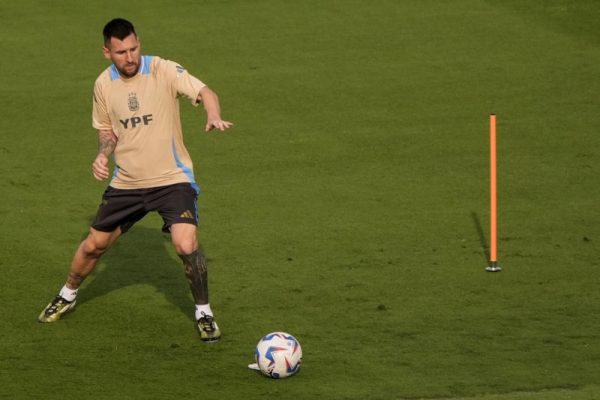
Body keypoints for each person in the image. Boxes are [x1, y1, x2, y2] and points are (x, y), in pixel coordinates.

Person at [38, 18, 233, 343]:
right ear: (107, 52)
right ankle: (67, 294)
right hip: (127, 184)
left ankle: (204, 313)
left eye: (133, 48)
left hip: (173, 180)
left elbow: (205, 91)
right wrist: (102, 155)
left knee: (186, 244)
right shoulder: (103, 85)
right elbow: (107, 130)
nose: (130, 57)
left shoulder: (162, 69)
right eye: (121, 52)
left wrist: (212, 114)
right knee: (93, 246)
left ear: (138, 43)